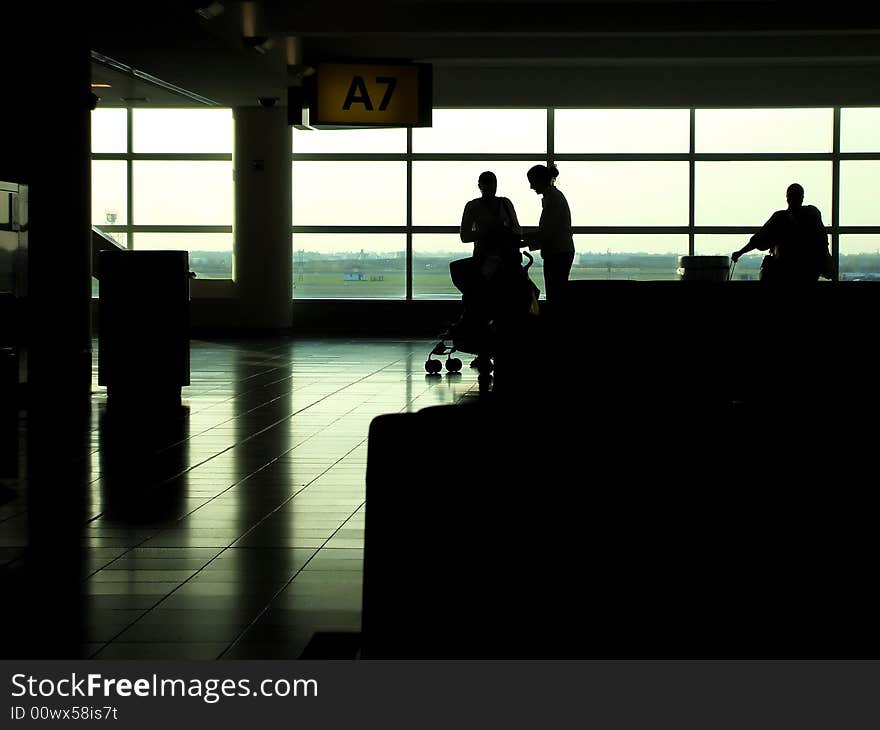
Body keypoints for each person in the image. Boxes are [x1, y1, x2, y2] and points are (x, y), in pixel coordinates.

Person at [732, 183, 833, 283]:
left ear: (787, 198)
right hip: (808, 271)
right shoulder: (812, 215)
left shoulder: (780, 218)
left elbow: (758, 240)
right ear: (802, 198)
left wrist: (740, 252)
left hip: (783, 271)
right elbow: (822, 242)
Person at [522, 164, 575, 303]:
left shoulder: (552, 199)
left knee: (555, 293)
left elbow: (547, 231)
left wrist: (524, 240)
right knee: (557, 291)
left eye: (532, 182)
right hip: (561, 250)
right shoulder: (554, 196)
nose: (531, 187)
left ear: (539, 181)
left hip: (557, 252)